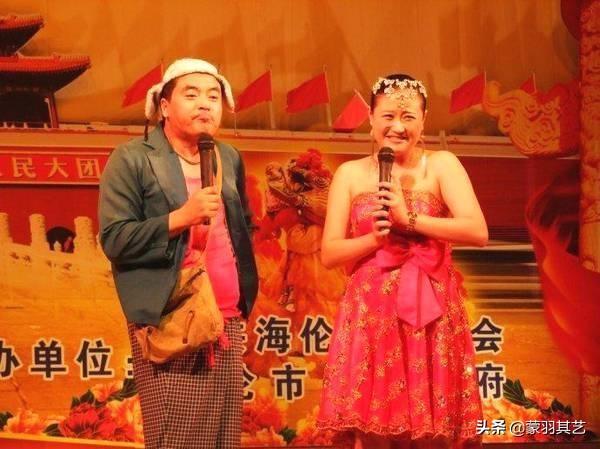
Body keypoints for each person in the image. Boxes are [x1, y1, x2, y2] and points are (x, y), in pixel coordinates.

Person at [317, 74, 488, 449]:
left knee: (432, 433)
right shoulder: (350, 174)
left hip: (431, 316)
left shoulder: (441, 165)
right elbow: (330, 253)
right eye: (388, 116)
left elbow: (477, 230)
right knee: (374, 432)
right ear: (371, 119)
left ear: (423, 121)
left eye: (409, 117)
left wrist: (408, 218)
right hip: (371, 316)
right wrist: (373, 239)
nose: (398, 126)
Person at [98, 58, 258, 449]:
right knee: (178, 438)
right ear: (165, 106)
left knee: (222, 439)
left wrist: (244, 294)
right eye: (192, 94)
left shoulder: (227, 156)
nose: (205, 104)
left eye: (213, 96)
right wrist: (181, 218)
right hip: (171, 316)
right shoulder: (133, 158)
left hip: (226, 317)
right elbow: (115, 239)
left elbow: (243, 227)